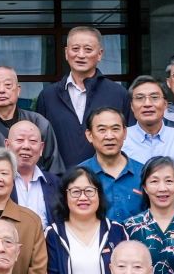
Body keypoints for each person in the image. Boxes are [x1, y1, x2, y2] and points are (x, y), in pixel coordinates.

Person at [37, 25, 126, 168]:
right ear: (66, 53)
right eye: (75, 49)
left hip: (106, 177)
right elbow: (41, 143)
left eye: (88, 49)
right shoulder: (48, 96)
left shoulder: (118, 94)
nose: (81, 55)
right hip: (59, 178)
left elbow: (128, 142)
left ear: (100, 54)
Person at [0, 66, 59, 175]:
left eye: (8, 85)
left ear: (18, 90)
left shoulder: (38, 123)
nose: (1, 90)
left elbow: (54, 169)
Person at [77, 106, 144, 223]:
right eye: (102, 130)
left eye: (115, 129)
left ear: (125, 133)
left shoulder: (144, 173)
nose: (109, 136)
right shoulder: (79, 175)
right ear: (89, 135)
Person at [123, 76, 174, 167]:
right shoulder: (122, 139)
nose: (147, 104)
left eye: (154, 97)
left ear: (165, 104)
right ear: (132, 106)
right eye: (140, 98)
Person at [4, 121, 56, 223]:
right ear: (7, 145)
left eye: (33, 141)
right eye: (20, 140)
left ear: (41, 148)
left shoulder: (56, 184)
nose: (26, 146)